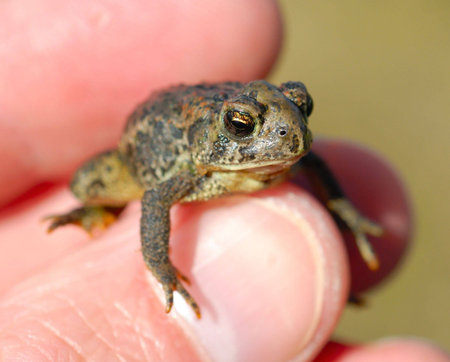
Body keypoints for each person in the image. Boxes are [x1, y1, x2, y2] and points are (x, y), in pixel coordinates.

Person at [0, 1, 448, 360]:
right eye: (241, 124)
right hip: (144, 158)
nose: (288, 133)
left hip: (227, 155)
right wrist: (161, 269)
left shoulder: (284, 157)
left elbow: (311, 162)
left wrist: (344, 207)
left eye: (300, 109)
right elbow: (156, 197)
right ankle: (103, 208)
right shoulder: (197, 173)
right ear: (225, 127)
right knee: (86, 183)